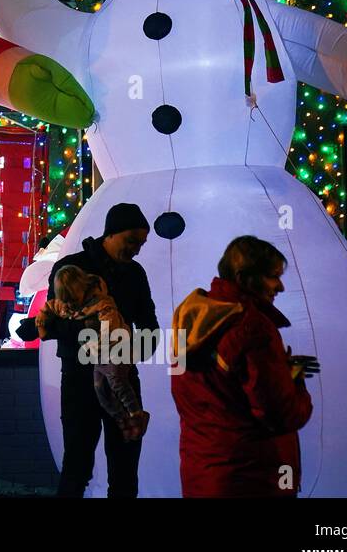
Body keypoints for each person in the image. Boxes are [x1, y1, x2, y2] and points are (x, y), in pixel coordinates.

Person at [20, 202, 158, 497]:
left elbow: (149, 324)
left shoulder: (134, 273)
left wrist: (138, 347)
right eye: (132, 241)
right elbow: (58, 323)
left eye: (141, 243)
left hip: (110, 370)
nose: (137, 249)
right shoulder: (73, 268)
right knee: (79, 466)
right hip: (83, 378)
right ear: (112, 233)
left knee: (121, 469)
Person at [171, 235, 317, 497]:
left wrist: (278, 370)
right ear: (244, 278)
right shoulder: (253, 329)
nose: (280, 287)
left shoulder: (191, 320)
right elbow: (280, 414)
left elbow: (214, 392)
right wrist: (295, 382)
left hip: (203, 474)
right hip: (251, 479)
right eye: (272, 276)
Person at [31, 265, 150, 441]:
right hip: (98, 355)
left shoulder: (102, 304)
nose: (71, 305)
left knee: (117, 380)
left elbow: (109, 328)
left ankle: (136, 414)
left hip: (117, 349)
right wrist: (42, 317)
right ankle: (122, 420)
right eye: (67, 301)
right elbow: (52, 306)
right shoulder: (67, 304)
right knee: (100, 389)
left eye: (73, 299)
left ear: (82, 289)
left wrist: (96, 347)